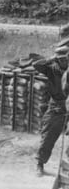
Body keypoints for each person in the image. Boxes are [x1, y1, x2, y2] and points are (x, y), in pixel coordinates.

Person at [33, 44, 69, 177]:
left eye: (65, 58)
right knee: (48, 135)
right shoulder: (51, 69)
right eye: (60, 59)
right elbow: (36, 65)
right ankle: (40, 164)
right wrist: (51, 59)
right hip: (56, 106)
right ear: (57, 59)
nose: (63, 61)